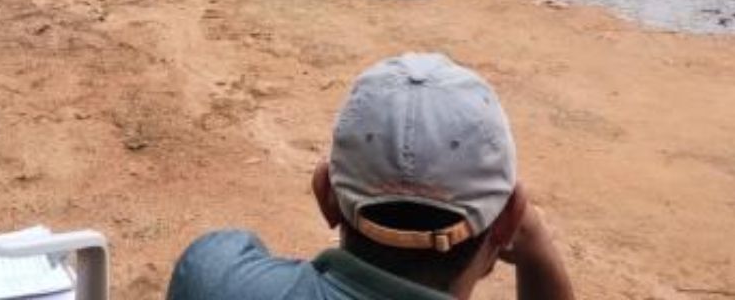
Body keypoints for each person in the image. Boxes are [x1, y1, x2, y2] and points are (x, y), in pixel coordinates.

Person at [167, 53, 575, 300]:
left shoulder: (213, 279)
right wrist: (534, 246)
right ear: (507, 220)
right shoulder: (511, 224)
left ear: (325, 194)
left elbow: (235, 250)